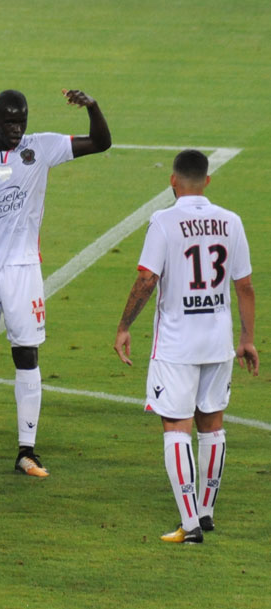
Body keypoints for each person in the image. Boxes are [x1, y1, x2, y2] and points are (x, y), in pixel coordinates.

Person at [0, 88, 111, 477]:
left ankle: (27, 450)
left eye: (22, 121)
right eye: (10, 122)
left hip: (22, 269)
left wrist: (93, 106)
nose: (17, 129)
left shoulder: (43, 147)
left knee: (27, 354)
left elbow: (102, 142)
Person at [114, 149, 257, 544]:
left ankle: (190, 524)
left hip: (177, 346)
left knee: (176, 428)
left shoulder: (163, 221)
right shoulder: (232, 221)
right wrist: (246, 339)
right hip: (218, 342)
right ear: (207, 181)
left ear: (172, 182)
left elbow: (146, 280)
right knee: (212, 425)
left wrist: (125, 325)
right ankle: (206, 512)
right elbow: (244, 286)